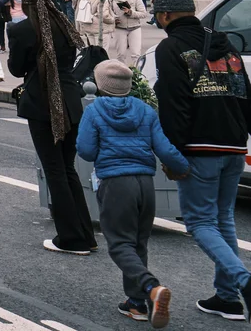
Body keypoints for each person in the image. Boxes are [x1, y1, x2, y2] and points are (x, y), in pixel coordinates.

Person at [151, 0, 251, 318]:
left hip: (199, 147)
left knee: (198, 222)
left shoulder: (171, 48)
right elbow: (246, 97)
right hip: (235, 146)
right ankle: (226, 297)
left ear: (165, 15)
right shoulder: (228, 48)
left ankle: (245, 283)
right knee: (223, 219)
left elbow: (174, 105)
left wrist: (172, 156)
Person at [78, 58, 187, 326]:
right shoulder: (144, 110)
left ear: (100, 85)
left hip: (116, 183)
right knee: (138, 241)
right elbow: (163, 148)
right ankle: (136, 303)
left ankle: (151, 288)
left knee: (119, 244)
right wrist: (184, 168)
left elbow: (86, 150)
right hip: (145, 183)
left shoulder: (94, 111)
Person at [7, 0, 97, 256]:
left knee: (54, 170)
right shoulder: (64, 24)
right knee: (67, 168)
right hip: (70, 101)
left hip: (42, 103)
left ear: (27, 1)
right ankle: (85, 233)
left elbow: (16, 68)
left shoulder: (22, 30)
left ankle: (71, 237)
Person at [106, 0, 150, 68]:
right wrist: (113, 18)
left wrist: (130, 12)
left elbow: (143, 13)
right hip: (119, 28)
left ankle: (137, 75)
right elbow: (108, 11)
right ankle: (122, 74)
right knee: (121, 54)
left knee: (135, 54)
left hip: (134, 27)